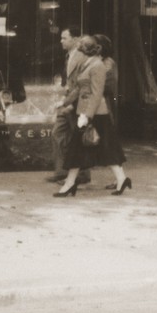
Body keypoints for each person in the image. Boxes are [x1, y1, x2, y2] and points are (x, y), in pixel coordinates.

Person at [55, 34, 115, 198]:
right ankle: (71, 183)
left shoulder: (98, 65)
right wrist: (65, 102)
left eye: (80, 47)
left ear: (86, 50)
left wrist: (86, 116)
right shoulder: (88, 63)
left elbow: (96, 94)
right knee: (91, 148)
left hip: (93, 112)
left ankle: (70, 183)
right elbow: (79, 88)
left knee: (99, 148)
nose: (78, 50)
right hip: (85, 111)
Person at [46, 25, 91, 186]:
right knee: (57, 133)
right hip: (69, 102)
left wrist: (68, 103)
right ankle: (61, 171)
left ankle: (83, 174)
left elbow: (81, 85)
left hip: (76, 104)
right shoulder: (69, 56)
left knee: (78, 139)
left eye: (65, 38)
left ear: (75, 39)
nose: (61, 41)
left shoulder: (80, 57)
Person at [93, 33, 132, 195]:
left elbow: (105, 85)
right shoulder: (103, 62)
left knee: (108, 141)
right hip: (102, 105)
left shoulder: (107, 63)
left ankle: (120, 178)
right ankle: (119, 177)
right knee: (109, 141)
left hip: (105, 106)